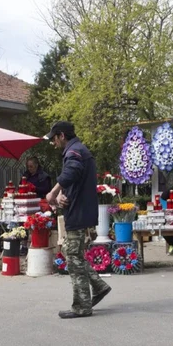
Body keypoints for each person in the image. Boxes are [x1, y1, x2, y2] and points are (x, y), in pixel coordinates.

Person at [44, 121, 111, 319]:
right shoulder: (78, 150)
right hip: (78, 209)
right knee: (71, 252)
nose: (54, 143)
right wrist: (64, 193)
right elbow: (76, 179)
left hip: (79, 212)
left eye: (54, 138)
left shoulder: (74, 152)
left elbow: (72, 171)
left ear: (62, 135)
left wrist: (54, 191)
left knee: (73, 258)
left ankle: (82, 306)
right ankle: (99, 286)